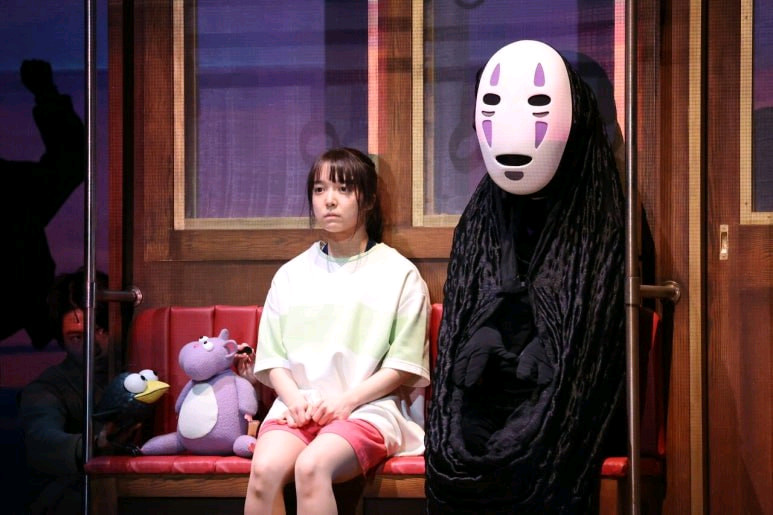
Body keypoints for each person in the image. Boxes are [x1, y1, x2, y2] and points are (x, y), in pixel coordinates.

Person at [241, 148, 430, 515]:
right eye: (319, 189)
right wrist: (295, 400)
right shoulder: (290, 275)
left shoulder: (400, 274)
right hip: (298, 408)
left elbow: (404, 365)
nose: (329, 200)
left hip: (369, 410)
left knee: (312, 467)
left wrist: (346, 402)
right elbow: (273, 359)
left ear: (368, 200)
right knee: (263, 472)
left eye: (343, 189)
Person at [18, 269, 135, 514]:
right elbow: (41, 441)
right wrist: (94, 445)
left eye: (101, 330)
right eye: (77, 337)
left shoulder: (139, 373)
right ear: (61, 339)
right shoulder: (47, 388)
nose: (93, 345)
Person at [0, 60, 85, 349]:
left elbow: (70, 162)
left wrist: (46, 94)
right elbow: (70, 162)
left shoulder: (10, 189)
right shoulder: (11, 188)